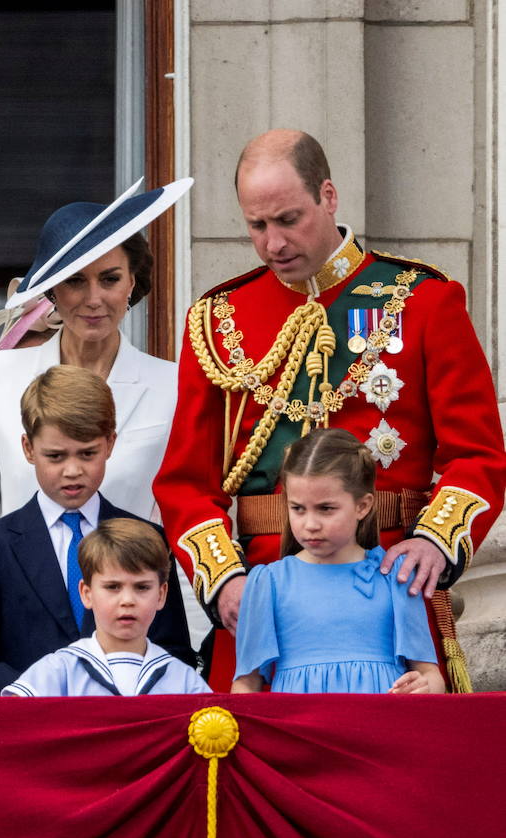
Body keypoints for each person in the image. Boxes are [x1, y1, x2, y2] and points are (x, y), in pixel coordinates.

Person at [153, 129, 506, 690]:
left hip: (390, 587)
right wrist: (225, 582)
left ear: (329, 196)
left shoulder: (422, 300)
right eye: (257, 226)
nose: (274, 244)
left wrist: (434, 543)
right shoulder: (218, 319)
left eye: (289, 219)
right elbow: (184, 484)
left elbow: (479, 457)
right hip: (264, 598)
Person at [0, 178, 193, 696]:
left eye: (109, 279)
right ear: (51, 291)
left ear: (134, 282)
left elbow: (180, 527)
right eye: (75, 281)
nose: (93, 299)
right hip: (17, 650)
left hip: (136, 657)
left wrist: (188, 658)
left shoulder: (174, 385)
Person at [0, 366, 194, 696]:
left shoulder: (149, 539)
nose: (72, 470)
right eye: (56, 456)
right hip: (29, 731)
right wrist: (34, 693)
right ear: (28, 449)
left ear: (110, 444)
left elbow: (173, 650)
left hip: (121, 728)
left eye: (88, 453)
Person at [232, 430, 443, 694]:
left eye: (326, 509)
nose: (310, 524)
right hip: (299, 730)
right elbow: (245, 683)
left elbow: (429, 675)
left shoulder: (395, 576)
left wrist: (424, 689)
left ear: (362, 506)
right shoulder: (268, 582)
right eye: (297, 508)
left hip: (377, 729)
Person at [3, 518, 210, 697]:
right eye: (113, 587)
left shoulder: (184, 681)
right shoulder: (56, 673)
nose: (127, 600)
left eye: (142, 587)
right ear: (86, 593)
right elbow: (16, 729)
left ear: (161, 594)